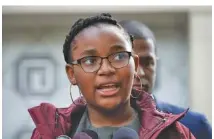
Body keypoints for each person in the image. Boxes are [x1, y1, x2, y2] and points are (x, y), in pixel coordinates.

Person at [28, 13, 195, 139]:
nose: (106, 70)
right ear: (72, 74)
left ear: (135, 65)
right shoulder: (48, 134)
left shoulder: (175, 134)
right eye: (90, 60)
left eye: (119, 56)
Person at [119, 20, 212, 139]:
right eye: (130, 63)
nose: (140, 73)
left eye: (147, 62)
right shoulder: (91, 128)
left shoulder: (194, 126)